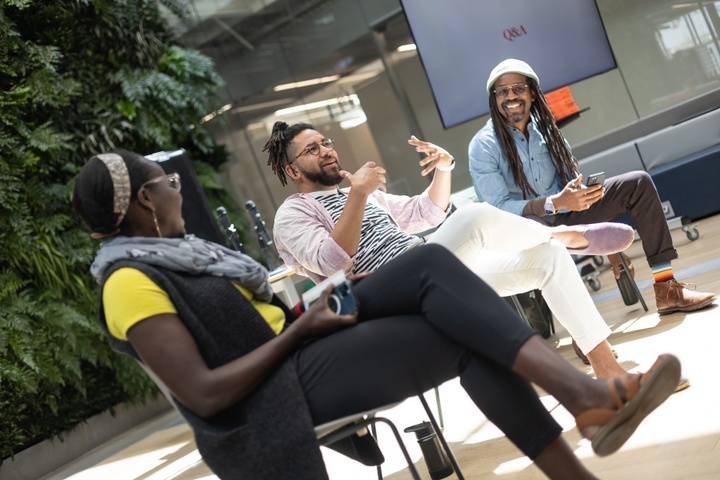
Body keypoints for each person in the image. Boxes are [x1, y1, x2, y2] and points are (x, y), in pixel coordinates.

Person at [72, 149, 681, 480]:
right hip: (273, 394)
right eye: (169, 181)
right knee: (446, 300)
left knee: (436, 280)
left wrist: (302, 316)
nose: (180, 190)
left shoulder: (183, 255)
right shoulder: (128, 282)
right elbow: (205, 396)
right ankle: (586, 401)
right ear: (146, 201)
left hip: (300, 339)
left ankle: (585, 413)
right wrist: (301, 326)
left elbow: (418, 216)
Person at [264, 121, 655, 382]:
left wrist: (445, 168)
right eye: (312, 150)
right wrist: (362, 195)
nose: (327, 151)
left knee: (546, 260)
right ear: (294, 171)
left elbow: (426, 212)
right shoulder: (292, 214)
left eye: (326, 143)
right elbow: (333, 261)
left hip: (426, 266)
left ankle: (608, 370)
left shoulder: (356, 190)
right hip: (383, 294)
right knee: (473, 218)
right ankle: (565, 232)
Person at [468, 58, 716, 316]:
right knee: (541, 229)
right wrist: (555, 204)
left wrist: (605, 244)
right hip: (523, 228)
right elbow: (499, 208)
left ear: (532, 93)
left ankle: (667, 290)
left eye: (518, 88)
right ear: (494, 99)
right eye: (502, 91)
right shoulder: (484, 145)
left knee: (639, 182)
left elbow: (572, 188)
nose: (510, 96)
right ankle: (581, 327)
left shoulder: (548, 133)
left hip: (563, 217)